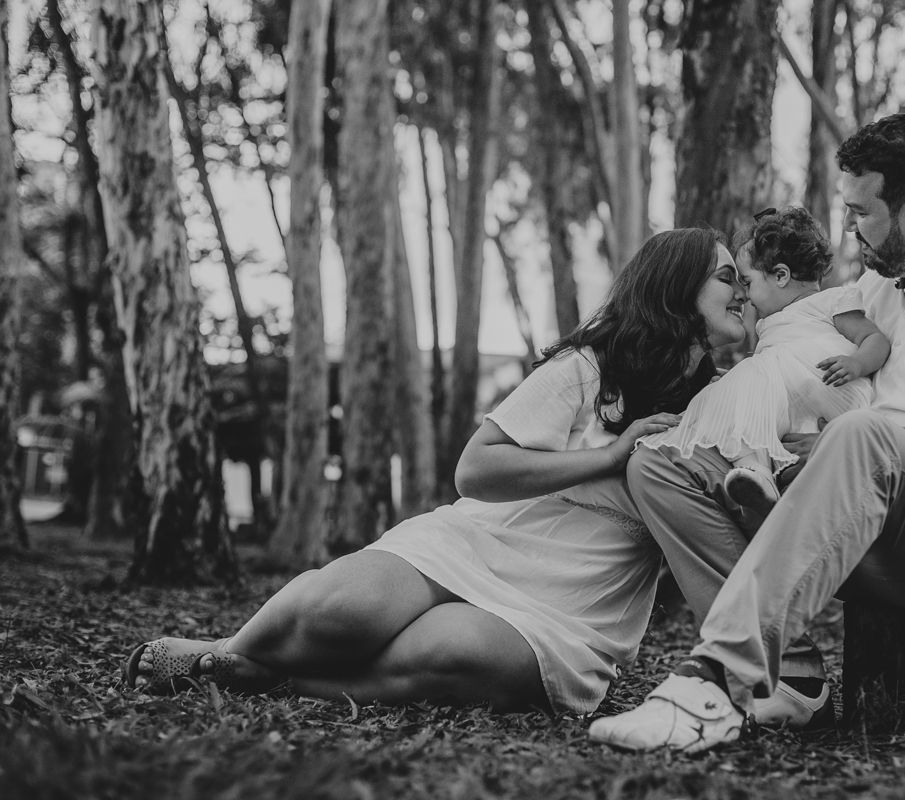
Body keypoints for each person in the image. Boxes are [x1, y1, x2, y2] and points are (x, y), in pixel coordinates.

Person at [124, 228, 749, 715]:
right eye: (727, 276)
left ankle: (270, 677)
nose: (742, 290)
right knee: (338, 609)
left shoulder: (728, 400)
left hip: (576, 604)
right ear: (676, 285)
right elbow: (477, 470)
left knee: (450, 653)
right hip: (480, 541)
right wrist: (610, 456)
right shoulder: (591, 370)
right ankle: (225, 651)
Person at [589, 113, 905, 752]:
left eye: (860, 211)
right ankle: (790, 679)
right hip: (860, 517)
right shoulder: (880, 291)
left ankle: (718, 678)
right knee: (661, 465)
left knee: (860, 436)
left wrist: (857, 445)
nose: (847, 227)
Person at [640, 206, 890, 516]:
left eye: (747, 282)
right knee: (750, 402)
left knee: (748, 378)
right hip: (794, 409)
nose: (744, 295)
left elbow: (875, 339)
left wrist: (858, 364)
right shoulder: (767, 326)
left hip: (829, 381)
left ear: (781, 276)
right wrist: (733, 389)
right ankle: (758, 476)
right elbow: (769, 384)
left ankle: (758, 471)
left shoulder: (832, 301)